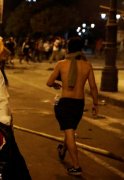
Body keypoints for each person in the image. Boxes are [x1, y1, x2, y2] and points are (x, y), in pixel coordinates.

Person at [46, 37, 98, 176]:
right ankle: (63, 149)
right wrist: (95, 104)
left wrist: (57, 83)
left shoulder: (61, 64)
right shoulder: (87, 65)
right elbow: (93, 87)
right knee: (70, 130)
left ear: (68, 48)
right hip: (79, 104)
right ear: (81, 49)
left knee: (69, 133)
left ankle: (76, 166)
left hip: (65, 103)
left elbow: (49, 82)